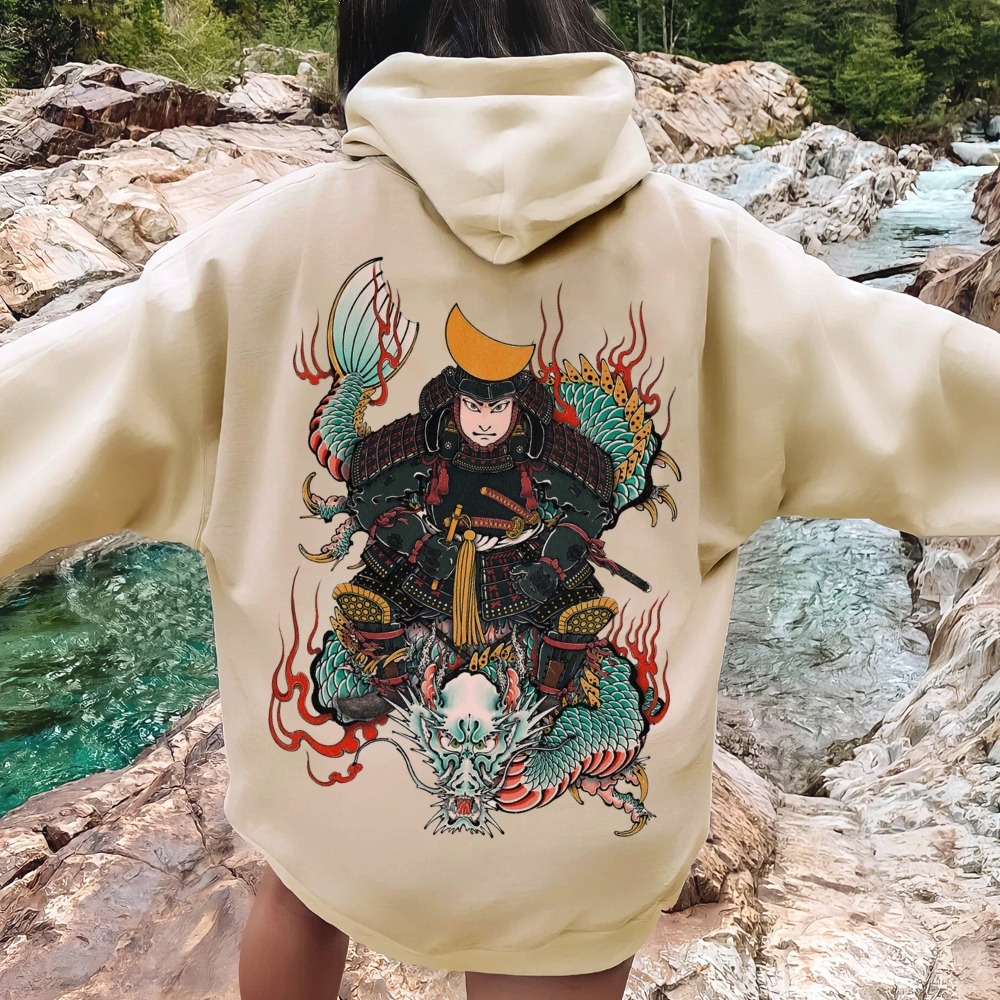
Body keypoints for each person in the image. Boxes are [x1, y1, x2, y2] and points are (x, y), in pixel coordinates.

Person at [1, 0, 998, 998]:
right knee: (376, 714)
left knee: (308, 875)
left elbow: (45, 413)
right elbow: (930, 388)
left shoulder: (253, 251)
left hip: (345, 814)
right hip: (569, 862)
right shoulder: (719, 259)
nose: (483, 415)